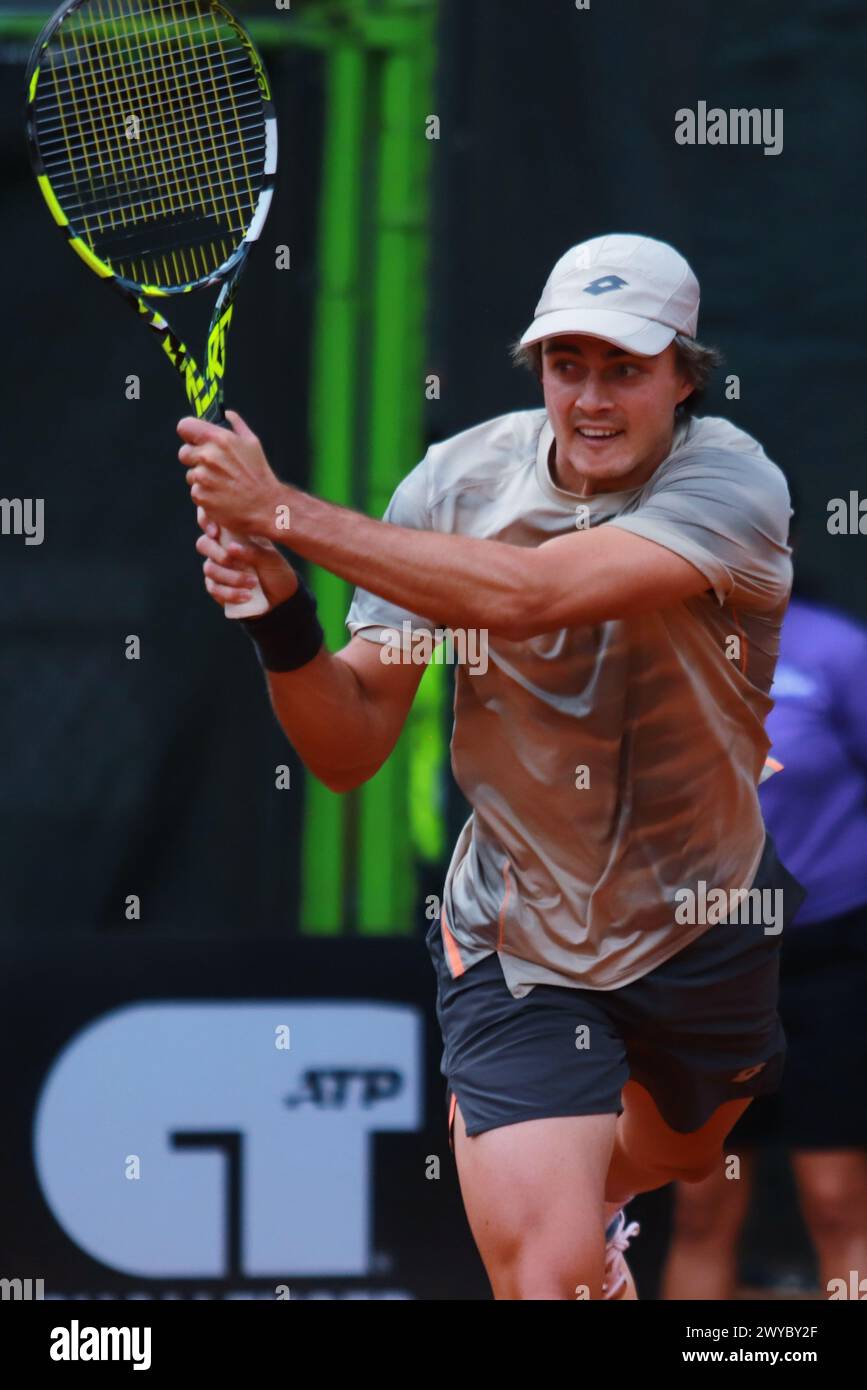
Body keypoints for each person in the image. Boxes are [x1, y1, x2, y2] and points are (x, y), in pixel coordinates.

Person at [176, 233, 805, 1301]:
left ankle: (601, 1194)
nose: (592, 398)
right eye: (568, 366)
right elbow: (352, 741)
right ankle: (567, 1225)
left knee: (687, 1154)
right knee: (549, 1283)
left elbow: (529, 595)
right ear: (539, 370)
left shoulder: (734, 483)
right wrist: (283, 617)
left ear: (683, 378)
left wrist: (282, 509)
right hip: (518, 935)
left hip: (705, 911)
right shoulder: (455, 484)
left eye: (625, 368)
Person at [662, 586, 867, 1300]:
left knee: (837, 1194)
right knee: (700, 1205)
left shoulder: (835, 650)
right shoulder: (659, 647)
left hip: (827, 960)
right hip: (703, 963)